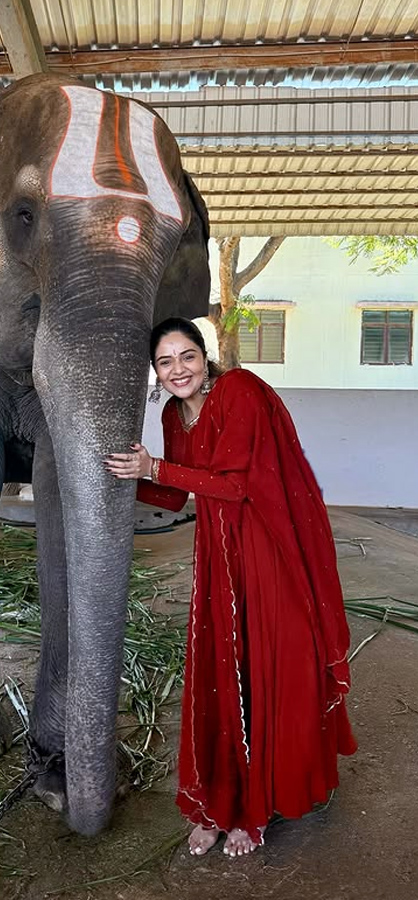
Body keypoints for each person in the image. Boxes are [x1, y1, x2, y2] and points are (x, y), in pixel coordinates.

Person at [105, 317, 356, 858]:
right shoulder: (174, 412)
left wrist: (158, 468)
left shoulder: (239, 390)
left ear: (205, 356)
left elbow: (236, 487)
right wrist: (124, 471)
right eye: (166, 362)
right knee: (222, 670)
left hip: (264, 549)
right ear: (156, 371)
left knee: (264, 669)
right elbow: (175, 496)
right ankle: (220, 805)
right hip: (217, 557)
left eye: (187, 357)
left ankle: (255, 810)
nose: (178, 370)